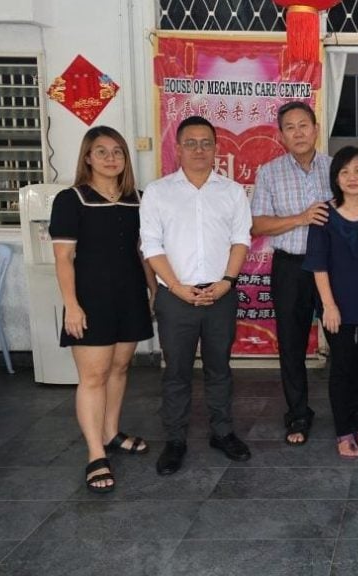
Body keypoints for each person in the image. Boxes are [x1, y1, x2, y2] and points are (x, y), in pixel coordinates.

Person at [251, 102, 358, 446]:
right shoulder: (269, 173)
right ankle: (298, 414)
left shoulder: (335, 166)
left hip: (334, 272)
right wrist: (301, 218)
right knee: (292, 345)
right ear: (281, 135)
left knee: (345, 347)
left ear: (315, 128)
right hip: (291, 268)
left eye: (304, 125)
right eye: (290, 127)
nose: (298, 133)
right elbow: (257, 224)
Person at [141, 115, 253, 476]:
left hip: (221, 293)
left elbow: (241, 240)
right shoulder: (158, 192)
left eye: (206, 143)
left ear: (216, 148)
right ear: (178, 148)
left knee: (220, 368)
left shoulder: (232, 192)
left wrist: (227, 282)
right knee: (176, 372)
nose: (199, 149)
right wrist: (176, 287)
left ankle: (223, 432)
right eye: (191, 143)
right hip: (176, 296)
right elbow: (151, 246)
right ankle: (175, 440)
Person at [50, 126, 155, 493]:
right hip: (91, 299)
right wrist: (72, 306)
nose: (111, 158)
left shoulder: (138, 199)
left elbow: (144, 251)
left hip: (130, 296)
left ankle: (111, 433)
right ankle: (95, 453)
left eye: (118, 152)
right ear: (88, 157)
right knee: (93, 376)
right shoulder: (71, 199)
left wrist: (153, 290)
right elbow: (63, 258)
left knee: (120, 368)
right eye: (102, 151)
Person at [302, 146, 358, 459]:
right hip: (337, 305)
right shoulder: (323, 215)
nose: (352, 177)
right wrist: (329, 306)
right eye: (344, 171)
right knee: (342, 366)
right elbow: (318, 264)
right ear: (335, 178)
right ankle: (344, 429)